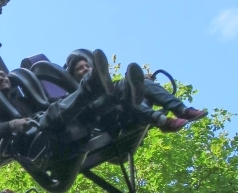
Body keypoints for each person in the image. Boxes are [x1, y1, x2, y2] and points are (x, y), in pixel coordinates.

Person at [64, 50, 207, 133]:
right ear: (74, 76)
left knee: (141, 84)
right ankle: (163, 121)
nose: (86, 69)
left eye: (87, 66)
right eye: (80, 68)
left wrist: (139, 81)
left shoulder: (111, 87)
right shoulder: (75, 98)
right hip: (112, 122)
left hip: (131, 112)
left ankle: (181, 110)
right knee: (120, 93)